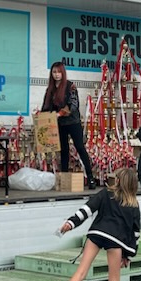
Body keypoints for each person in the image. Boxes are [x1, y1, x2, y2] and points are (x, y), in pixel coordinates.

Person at [58, 167, 141, 281]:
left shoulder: (106, 193)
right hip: (115, 240)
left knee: (81, 272)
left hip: (97, 233)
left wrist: (71, 223)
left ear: (118, 181)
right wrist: (128, 255)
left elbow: (87, 209)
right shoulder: (133, 204)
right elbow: (135, 233)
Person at [42, 61, 96, 189]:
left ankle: (90, 177)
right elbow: (46, 106)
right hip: (59, 123)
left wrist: (60, 113)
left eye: (59, 72)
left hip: (73, 122)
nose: (56, 74)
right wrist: (42, 116)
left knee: (80, 148)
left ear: (63, 73)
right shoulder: (50, 89)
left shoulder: (71, 86)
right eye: (54, 72)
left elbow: (74, 104)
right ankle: (64, 179)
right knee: (64, 150)